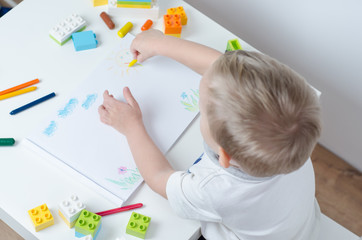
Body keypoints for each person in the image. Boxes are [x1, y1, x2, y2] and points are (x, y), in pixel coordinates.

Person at [98, 29, 322, 240]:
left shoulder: (214, 190)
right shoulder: (293, 131)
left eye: (202, 109)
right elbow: (222, 69)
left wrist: (131, 126)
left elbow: (159, 178)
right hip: (298, 226)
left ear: (224, 156)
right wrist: (160, 43)